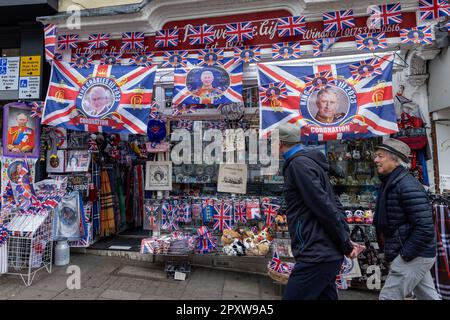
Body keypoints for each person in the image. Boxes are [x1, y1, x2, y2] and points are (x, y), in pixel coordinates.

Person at [279, 125, 364, 300]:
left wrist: (345, 243)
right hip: (324, 251)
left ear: (279, 143)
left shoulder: (298, 164)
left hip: (316, 253)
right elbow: (333, 202)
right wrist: (344, 238)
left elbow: (324, 206)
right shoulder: (307, 162)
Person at [373, 139, 440, 300]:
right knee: (428, 297)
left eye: (380, 156)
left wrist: (403, 256)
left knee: (388, 297)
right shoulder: (391, 183)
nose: (375, 160)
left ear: (395, 159)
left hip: (415, 255)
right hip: (415, 253)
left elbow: (425, 228)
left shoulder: (407, 186)